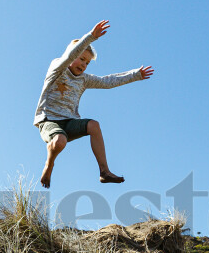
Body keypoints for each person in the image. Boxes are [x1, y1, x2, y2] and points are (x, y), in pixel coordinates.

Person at [34, 19, 154, 188]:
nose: (83, 65)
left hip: (69, 121)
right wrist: (90, 37)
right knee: (60, 141)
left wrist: (135, 75)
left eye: (87, 63)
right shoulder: (57, 68)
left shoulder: (84, 80)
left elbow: (108, 81)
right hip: (49, 120)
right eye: (81, 59)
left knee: (94, 126)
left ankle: (104, 172)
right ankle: (49, 164)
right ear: (73, 56)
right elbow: (69, 55)